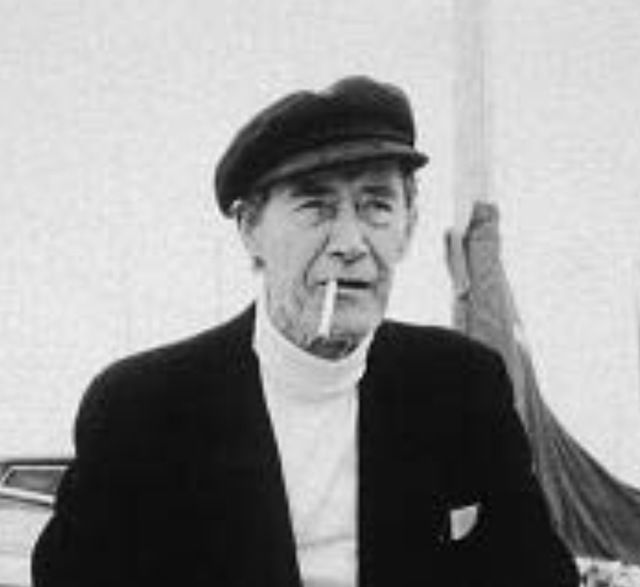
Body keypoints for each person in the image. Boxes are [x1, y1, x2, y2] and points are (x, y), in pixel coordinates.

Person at [32, 76, 579, 587]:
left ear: (408, 225)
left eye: (377, 206)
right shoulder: (141, 408)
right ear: (250, 228)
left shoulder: (461, 384)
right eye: (316, 207)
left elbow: (537, 572)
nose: (350, 242)